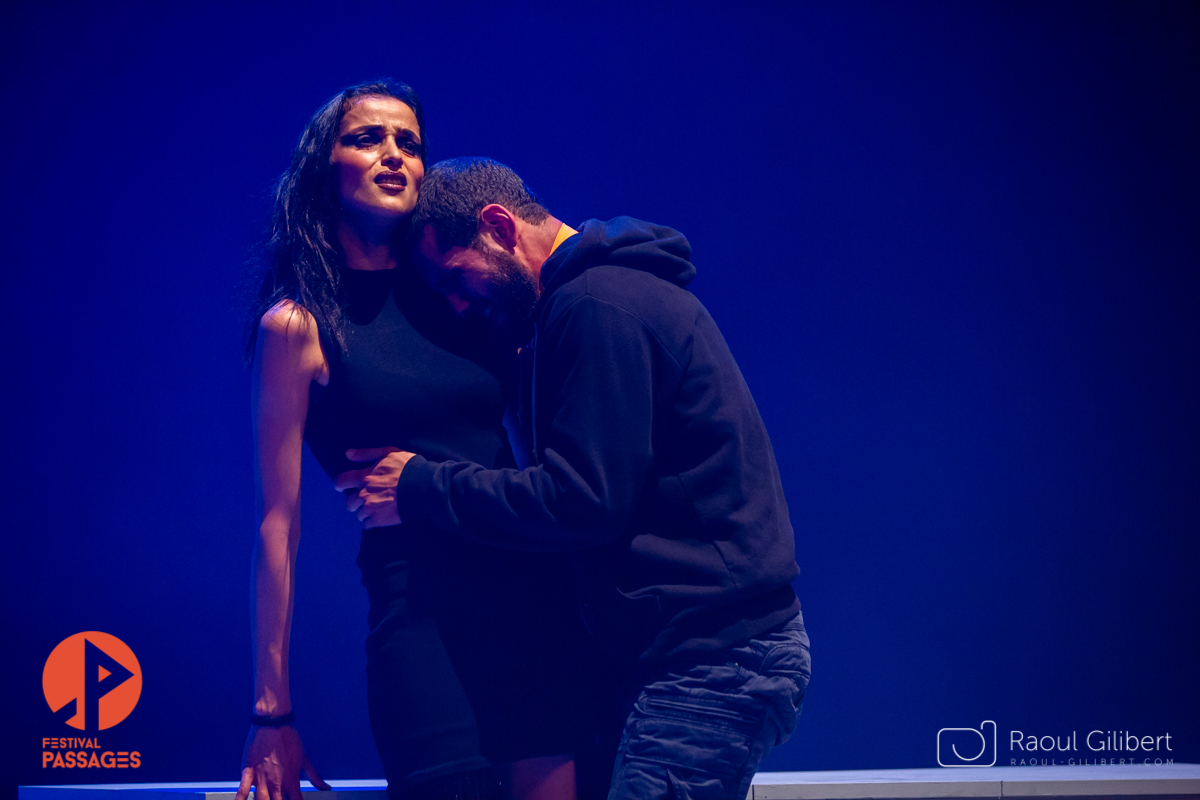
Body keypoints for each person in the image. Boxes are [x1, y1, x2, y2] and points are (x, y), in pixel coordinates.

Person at [337, 157, 812, 800]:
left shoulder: (598, 306)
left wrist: (422, 485)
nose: (456, 302)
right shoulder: (587, 303)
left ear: (499, 225)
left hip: (710, 659)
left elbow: (584, 499)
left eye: (455, 276)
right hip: (693, 656)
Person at [238, 89, 585, 800]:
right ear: (322, 168)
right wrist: (271, 712)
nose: (394, 153)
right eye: (367, 137)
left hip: (532, 601)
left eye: (410, 141)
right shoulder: (298, 326)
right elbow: (279, 524)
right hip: (421, 616)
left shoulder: (463, 292)